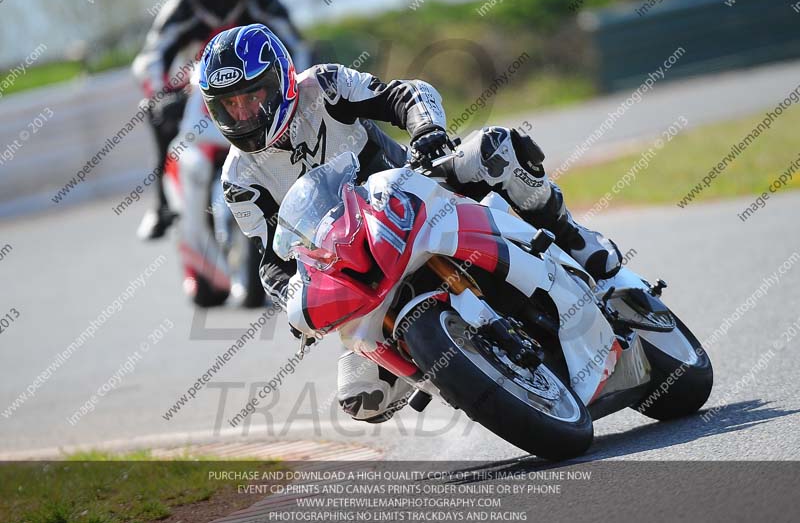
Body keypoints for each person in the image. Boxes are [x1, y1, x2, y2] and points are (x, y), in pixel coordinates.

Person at [198, 24, 622, 423]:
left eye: (252, 95)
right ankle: (462, 371)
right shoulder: (239, 180)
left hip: (416, 194)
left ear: (281, 80)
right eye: (229, 105)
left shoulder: (323, 86)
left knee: (496, 149)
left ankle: (573, 238)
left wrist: (426, 132)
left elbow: (403, 95)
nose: (244, 112)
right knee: (361, 398)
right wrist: (293, 304)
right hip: (357, 267)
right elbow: (272, 258)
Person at [132, 0, 309, 241]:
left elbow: (297, 46)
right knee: (158, 115)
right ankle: (162, 204)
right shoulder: (182, 7)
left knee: (302, 117)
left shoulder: (262, 1)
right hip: (195, 92)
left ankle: (314, 185)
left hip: (256, 93)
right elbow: (152, 56)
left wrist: (297, 85)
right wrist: (161, 95)